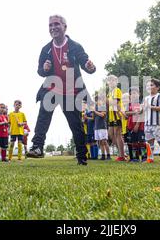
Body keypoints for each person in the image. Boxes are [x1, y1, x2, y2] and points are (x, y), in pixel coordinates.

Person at [27, 15, 96, 166]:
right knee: (43, 116)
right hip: (51, 88)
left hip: (71, 92)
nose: (53, 27)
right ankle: (37, 146)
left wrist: (89, 66)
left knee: (76, 125)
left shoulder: (75, 46)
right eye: (50, 25)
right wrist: (43, 70)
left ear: (65, 27)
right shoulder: (46, 49)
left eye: (56, 24)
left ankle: (82, 156)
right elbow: (40, 70)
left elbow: (85, 61)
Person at [106, 75, 126, 162]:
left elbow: (115, 103)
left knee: (118, 135)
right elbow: (107, 105)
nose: (111, 82)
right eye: (109, 81)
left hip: (117, 114)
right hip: (111, 115)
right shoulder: (109, 93)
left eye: (113, 80)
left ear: (116, 82)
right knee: (111, 134)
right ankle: (122, 153)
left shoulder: (117, 90)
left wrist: (105, 100)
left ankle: (122, 155)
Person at [125, 87, 146, 162]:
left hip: (139, 126)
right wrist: (135, 112)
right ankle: (135, 158)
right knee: (133, 143)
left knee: (141, 142)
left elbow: (141, 114)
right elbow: (126, 113)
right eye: (131, 94)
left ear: (139, 94)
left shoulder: (141, 104)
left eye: (135, 93)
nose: (133, 95)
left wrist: (137, 125)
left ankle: (144, 157)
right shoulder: (129, 104)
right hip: (131, 126)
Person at [94, 95, 111, 160]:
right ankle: (103, 155)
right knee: (100, 142)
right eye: (96, 100)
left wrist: (95, 111)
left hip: (102, 127)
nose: (97, 101)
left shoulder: (103, 107)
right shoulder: (95, 107)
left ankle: (108, 155)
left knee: (104, 141)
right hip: (97, 126)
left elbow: (102, 115)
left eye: (98, 100)